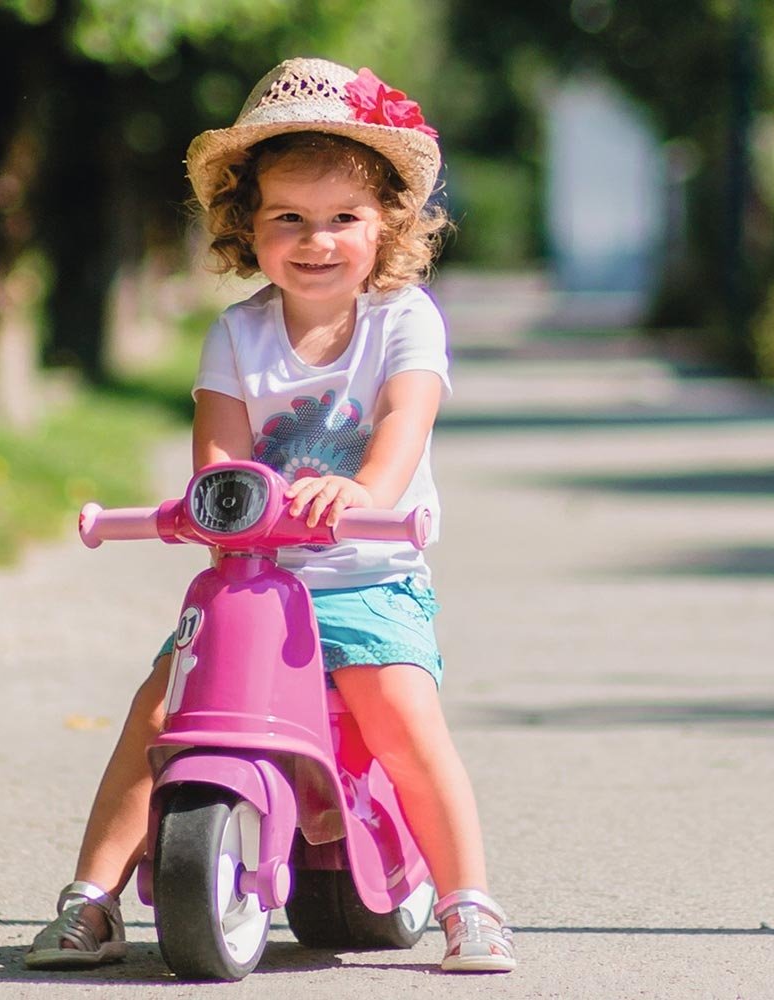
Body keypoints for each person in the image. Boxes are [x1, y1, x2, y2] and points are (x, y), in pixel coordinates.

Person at [26, 56, 516, 974]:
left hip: (366, 574)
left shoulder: (403, 321)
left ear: (388, 227)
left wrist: (364, 494)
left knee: (403, 716)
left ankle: (468, 902)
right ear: (248, 226)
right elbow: (218, 452)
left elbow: (405, 424)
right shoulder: (238, 334)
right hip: (255, 579)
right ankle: (89, 900)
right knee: (160, 711)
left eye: (343, 219)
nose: (317, 239)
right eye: (289, 217)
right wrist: (207, 507)